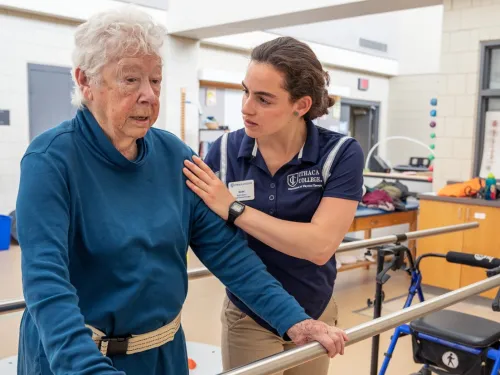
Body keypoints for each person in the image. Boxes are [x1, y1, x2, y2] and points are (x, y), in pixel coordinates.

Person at [15, 9, 348, 375]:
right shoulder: (50, 161)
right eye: (130, 79)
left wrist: (294, 320)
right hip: (78, 360)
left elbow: (226, 253)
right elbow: (47, 285)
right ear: (86, 82)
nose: (149, 95)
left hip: (161, 355)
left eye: (155, 80)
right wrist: (87, 369)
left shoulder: (175, 156)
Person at [183, 36, 364, 375]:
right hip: (249, 313)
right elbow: (208, 237)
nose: (246, 107)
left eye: (263, 99)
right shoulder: (222, 152)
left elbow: (320, 246)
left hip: (316, 308)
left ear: (301, 104)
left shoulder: (339, 154)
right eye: (245, 91)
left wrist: (235, 209)